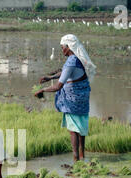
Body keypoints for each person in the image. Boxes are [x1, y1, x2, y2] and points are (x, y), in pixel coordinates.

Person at [35, 34, 96, 162]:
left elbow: (58, 86)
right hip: (83, 97)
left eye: (62, 47)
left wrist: (42, 90)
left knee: (73, 130)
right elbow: (65, 73)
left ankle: (75, 159)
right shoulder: (78, 58)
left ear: (68, 47)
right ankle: (82, 156)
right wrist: (50, 77)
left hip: (73, 100)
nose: (62, 50)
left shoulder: (72, 60)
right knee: (81, 128)